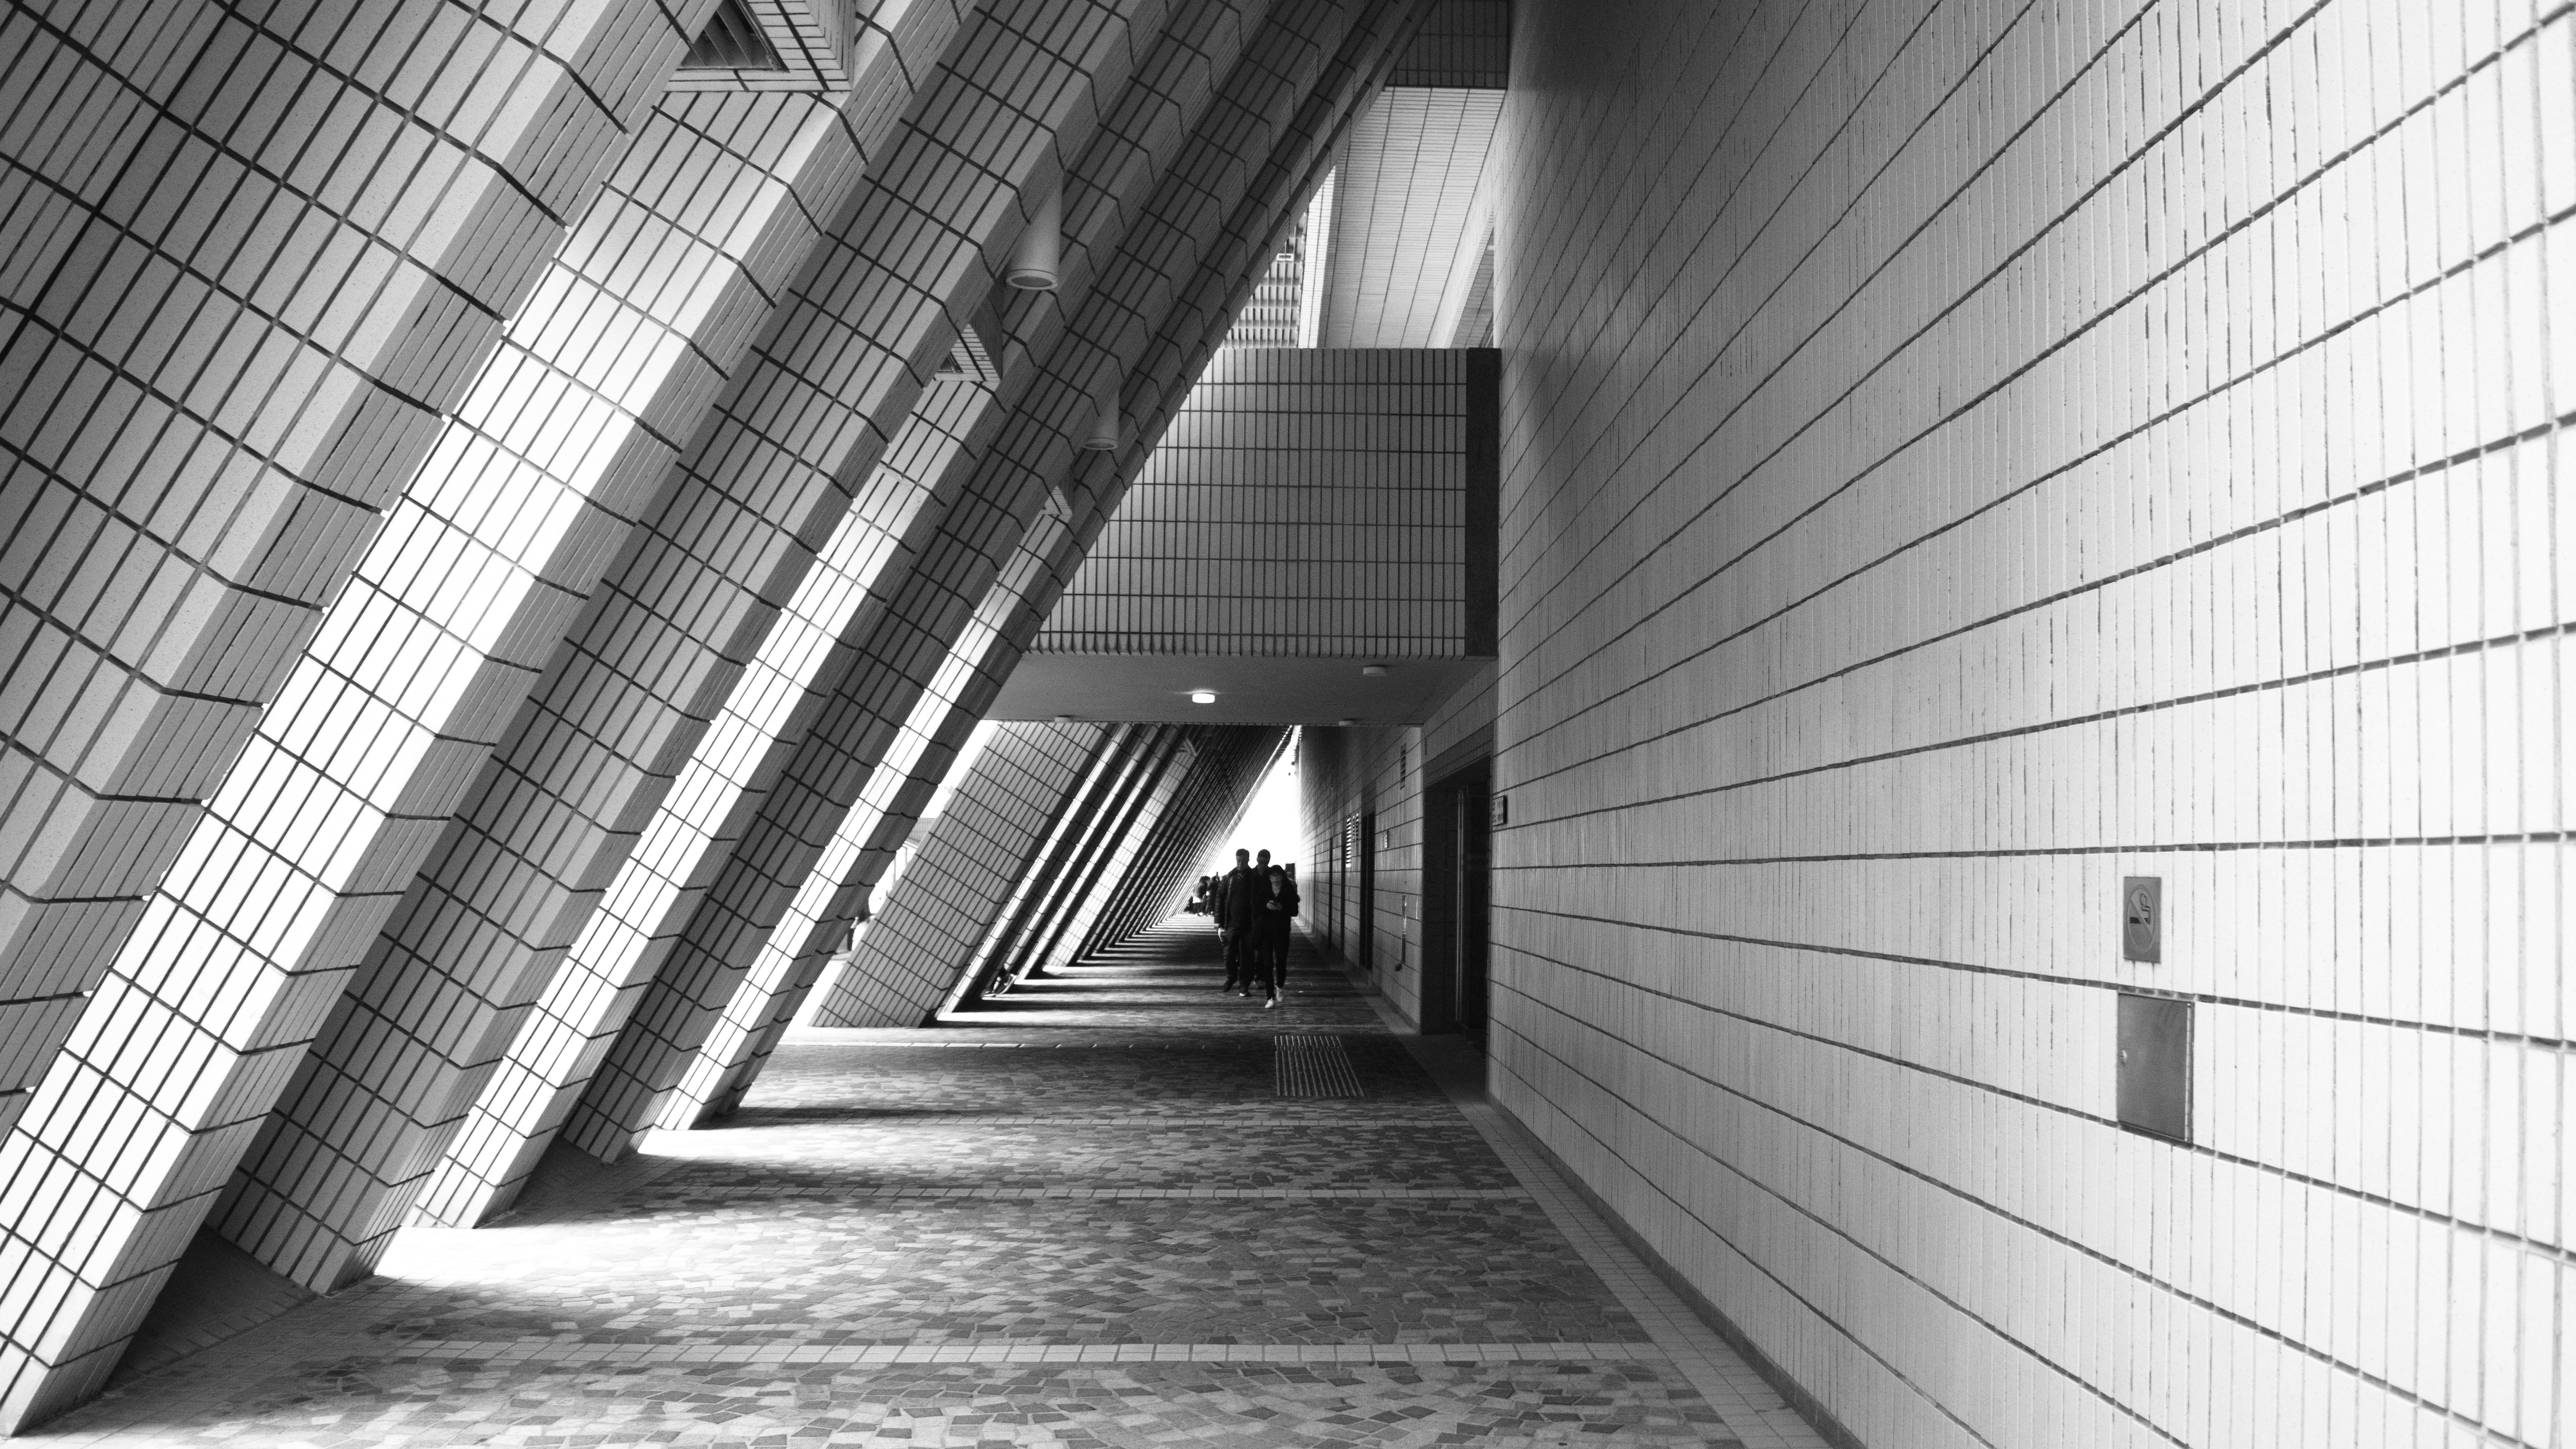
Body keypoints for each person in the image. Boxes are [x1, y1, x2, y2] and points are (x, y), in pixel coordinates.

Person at [1217, 849, 1263, 992]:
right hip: (1231, 924)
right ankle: (1231, 977)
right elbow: (1220, 899)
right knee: (1229, 953)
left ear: (1249, 861)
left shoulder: (1254, 878)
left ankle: (1244, 984)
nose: (1241, 863)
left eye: (1244, 860)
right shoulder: (1228, 879)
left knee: (1247, 956)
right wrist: (1218, 923)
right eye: (1238, 860)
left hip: (1249, 924)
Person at [1255, 863, 1298, 1008]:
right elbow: (1257, 907)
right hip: (1266, 931)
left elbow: (1295, 910)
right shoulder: (1264, 890)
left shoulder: (1288, 890)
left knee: (1281, 961)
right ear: (1269, 877)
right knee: (1267, 963)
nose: (1275, 878)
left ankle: (1280, 987)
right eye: (1272, 875)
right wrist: (1266, 907)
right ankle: (1270, 997)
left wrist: (1282, 908)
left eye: (1278, 875)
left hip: (1282, 931)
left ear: (1282, 876)